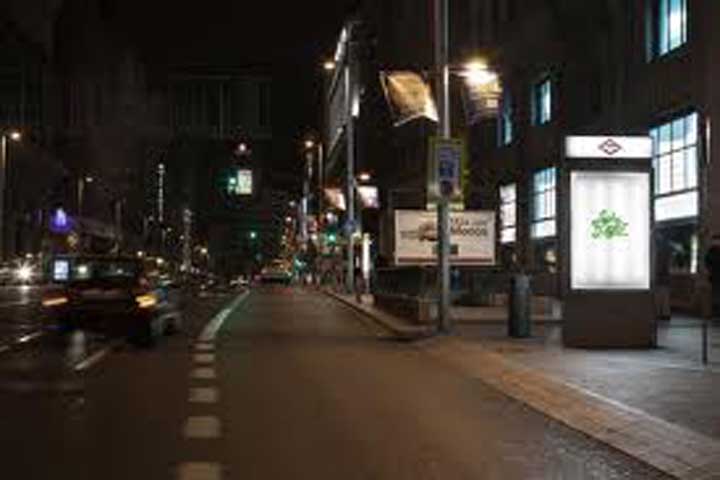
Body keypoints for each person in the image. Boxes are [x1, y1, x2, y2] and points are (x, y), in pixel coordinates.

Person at [705, 235, 720, 317]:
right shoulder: (710, 251)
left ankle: (716, 312)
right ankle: (715, 313)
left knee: (716, 294)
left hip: (715, 275)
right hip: (714, 276)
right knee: (715, 294)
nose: (716, 242)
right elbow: (707, 263)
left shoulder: (711, 252)